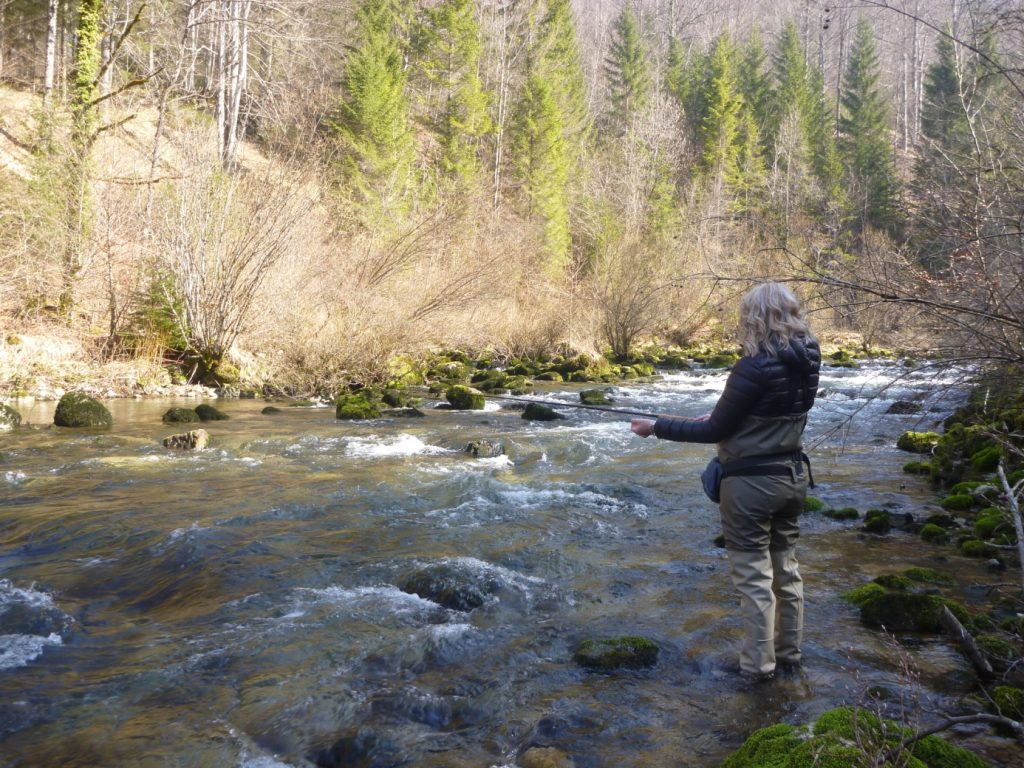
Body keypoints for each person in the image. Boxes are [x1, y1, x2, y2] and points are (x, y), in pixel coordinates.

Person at [631, 282, 820, 679]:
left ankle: (757, 667)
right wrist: (720, 422)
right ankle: (789, 655)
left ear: (754, 317)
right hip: (792, 478)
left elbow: (714, 429)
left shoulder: (752, 365)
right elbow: (766, 415)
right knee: (786, 571)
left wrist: (656, 426)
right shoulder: (810, 358)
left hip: (751, 487)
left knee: (754, 580)